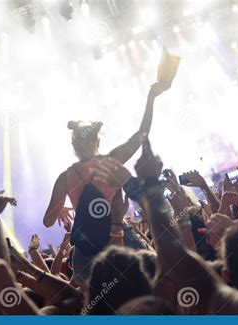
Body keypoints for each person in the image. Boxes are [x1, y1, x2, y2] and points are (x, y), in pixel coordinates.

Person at [43, 82, 171, 285]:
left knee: (101, 299)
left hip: (88, 251)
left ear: (73, 146)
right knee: (156, 277)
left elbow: (48, 221)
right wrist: (151, 97)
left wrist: (59, 208)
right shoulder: (110, 161)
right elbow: (141, 134)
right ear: (98, 142)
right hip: (120, 235)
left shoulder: (64, 178)